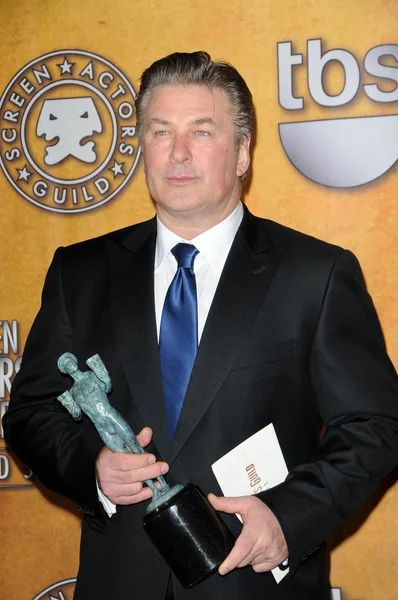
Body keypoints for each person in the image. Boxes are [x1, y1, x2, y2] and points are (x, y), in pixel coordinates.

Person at [3, 51, 398, 600]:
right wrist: (91, 469)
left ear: (241, 154)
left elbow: (375, 428)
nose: (178, 153)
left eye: (202, 132)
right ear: (142, 146)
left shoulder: (316, 274)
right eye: (160, 131)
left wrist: (285, 521)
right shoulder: (81, 272)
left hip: (253, 585)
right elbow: (31, 414)